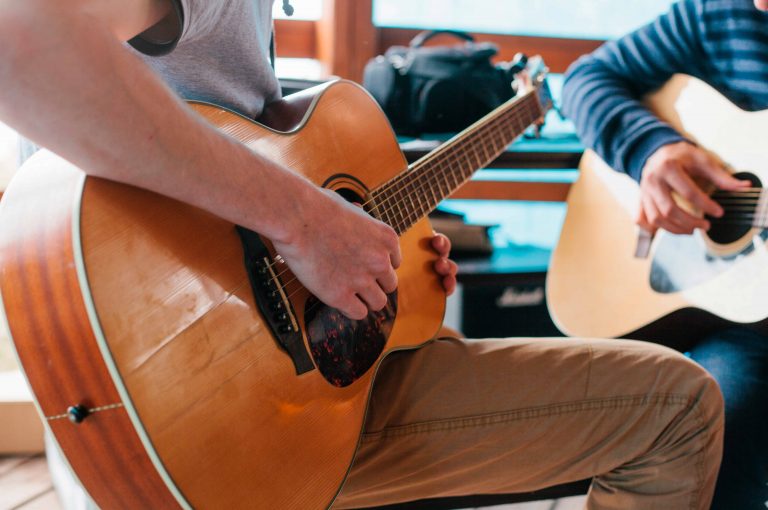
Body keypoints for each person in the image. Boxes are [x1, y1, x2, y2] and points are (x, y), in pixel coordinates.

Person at [0, 1, 724, 508]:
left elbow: (269, 169)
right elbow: (17, 42)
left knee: (682, 400)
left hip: (253, 407)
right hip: (209, 424)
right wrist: (305, 224)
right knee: (678, 412)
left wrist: (387, 256)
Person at [561, 0, 768, 508]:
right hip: (742, 329)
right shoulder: (717, 14)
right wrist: (650, 150)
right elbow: (584, 78)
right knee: (709, 422)